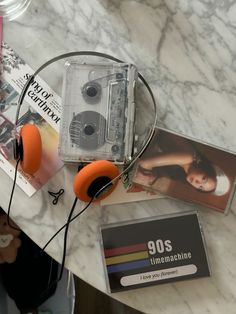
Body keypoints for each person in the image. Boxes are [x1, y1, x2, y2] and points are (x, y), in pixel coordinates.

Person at [135, 130, 231, 196]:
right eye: (204, 178)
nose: (197, 183)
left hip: (141, 140)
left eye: (200, 187)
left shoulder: (182, 170)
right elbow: (144, 163)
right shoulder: (188, 157)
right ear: (204, 167)